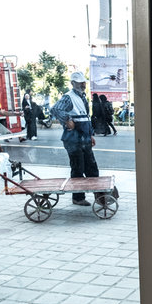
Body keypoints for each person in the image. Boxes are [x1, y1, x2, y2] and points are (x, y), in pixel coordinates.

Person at [51, 72, 99, 206]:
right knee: (78, 169)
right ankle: (78, 198)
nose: (83, 84)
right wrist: (67, 120)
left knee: (92, 168)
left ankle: (99, 195)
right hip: (73, 140)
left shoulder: (83, 97)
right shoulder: (68, 97)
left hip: (84, 139)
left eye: (84, 82)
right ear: (73, 83)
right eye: (79, 82)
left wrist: (90, 135)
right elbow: (55, 109)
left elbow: (85, 118)